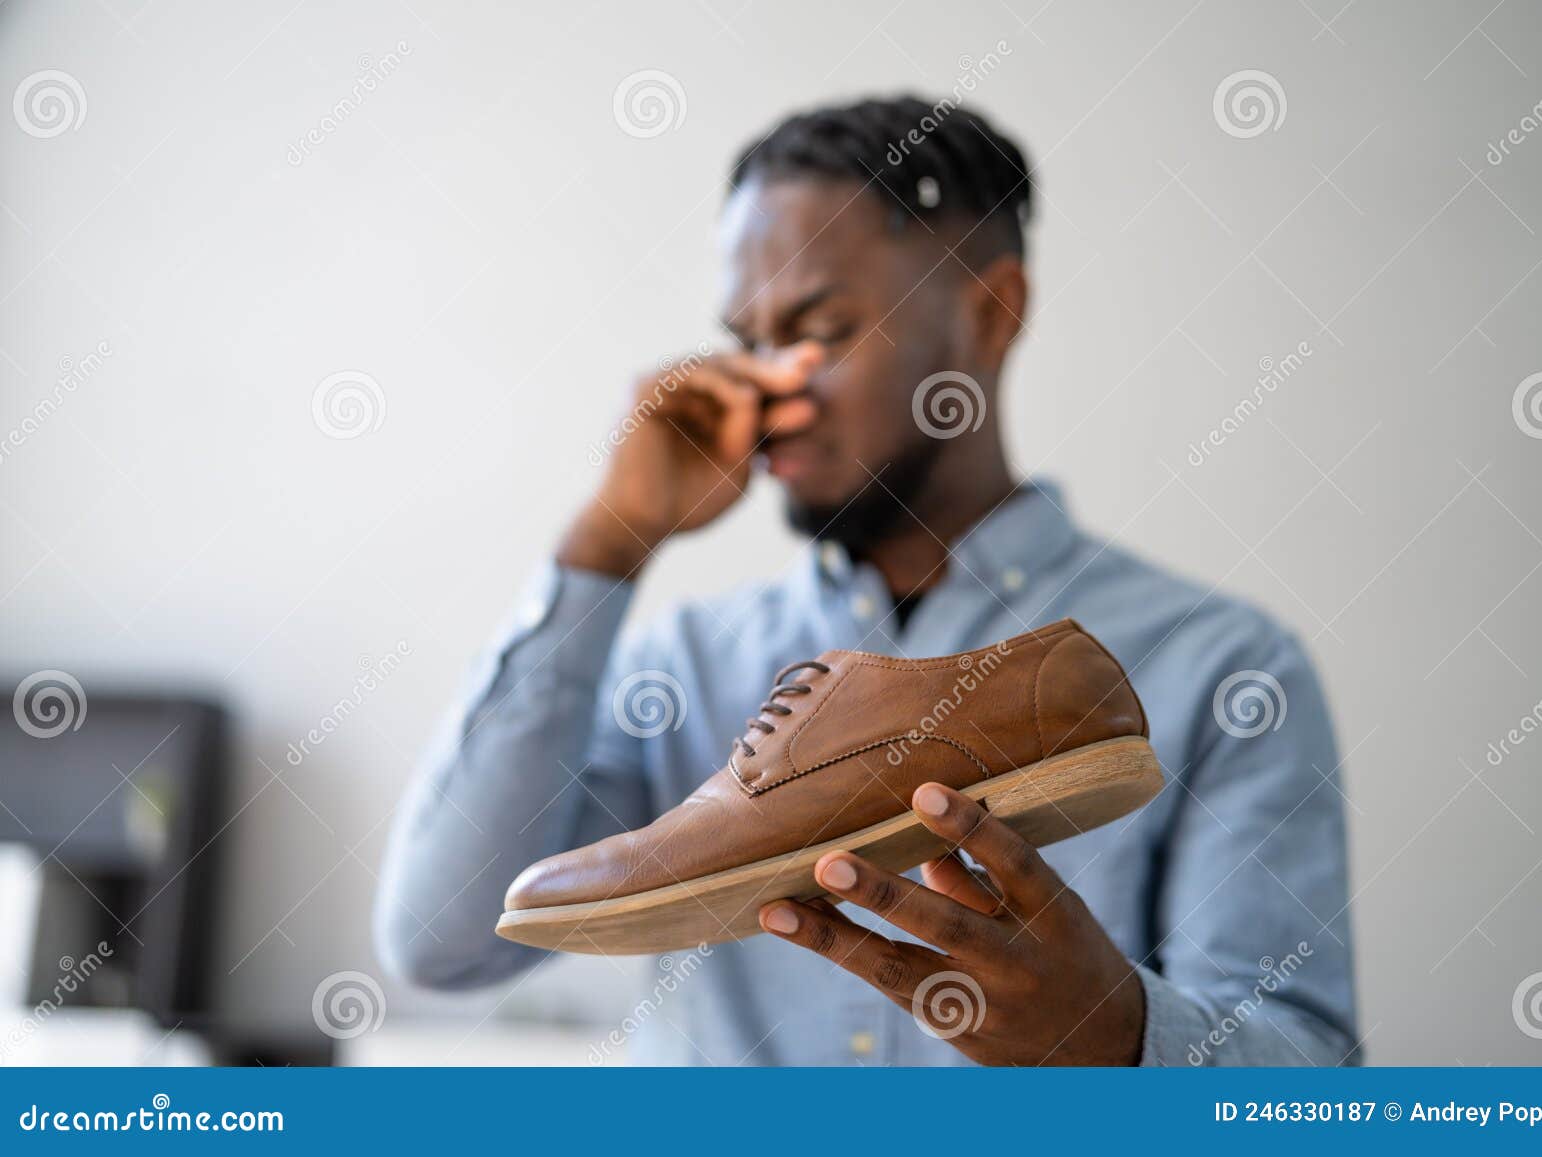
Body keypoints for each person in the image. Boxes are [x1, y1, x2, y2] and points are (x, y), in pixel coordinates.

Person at [373, 95, 1358, 1066]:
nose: (767, 389)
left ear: (988, 312)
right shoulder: (679, 664)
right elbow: (442, 941)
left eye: (820, 329)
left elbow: (1309, 1083)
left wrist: (1117, 1037)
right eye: (748, 340)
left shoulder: (1219, 664)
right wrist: (609, 540)